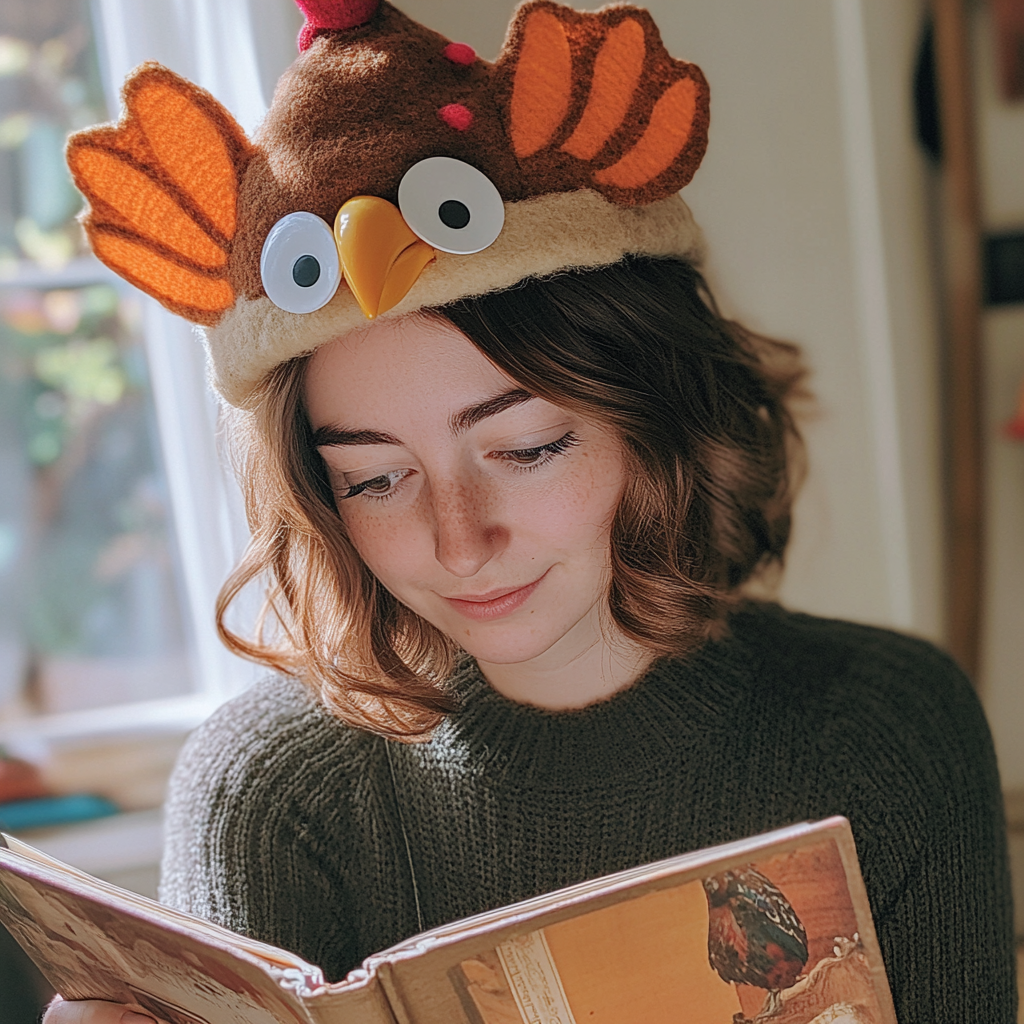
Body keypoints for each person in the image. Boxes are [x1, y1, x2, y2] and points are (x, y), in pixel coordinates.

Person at [47, 1, 1016, 1022]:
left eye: (526, 449)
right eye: (375, 478)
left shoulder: (887, 727)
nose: (460, 542)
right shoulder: (272, 797)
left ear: (658, 415)